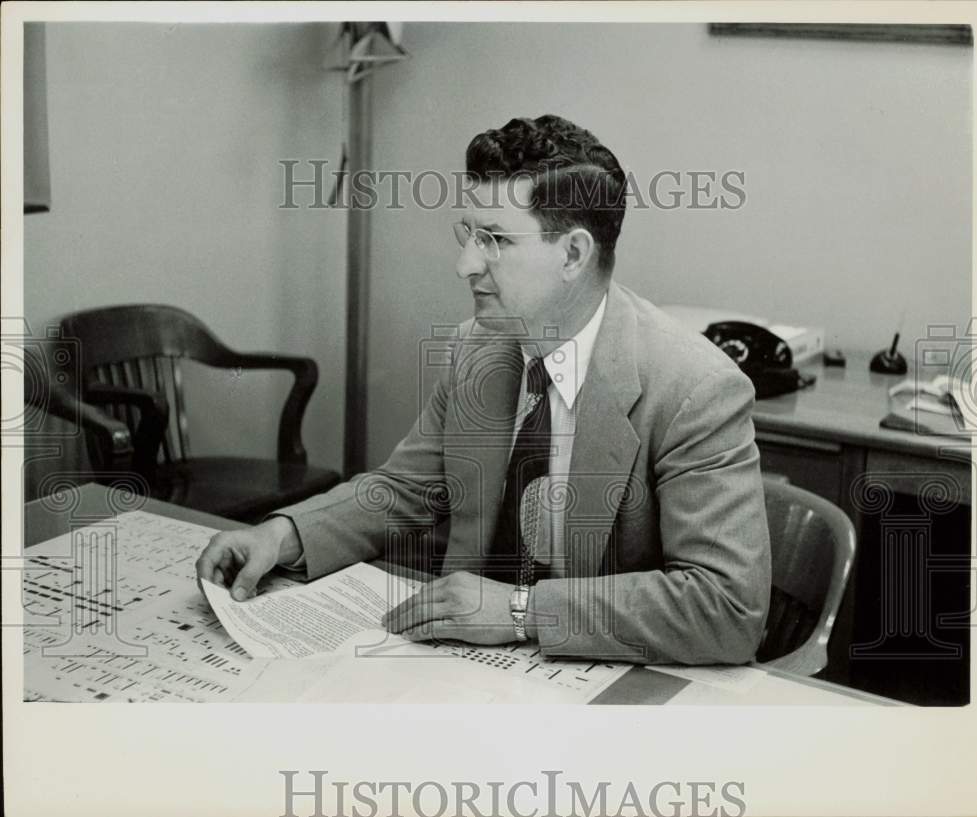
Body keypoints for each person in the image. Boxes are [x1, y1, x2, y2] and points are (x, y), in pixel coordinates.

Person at [196, 115, 771, 664]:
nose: (465, 265)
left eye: (494, 239)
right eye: (467, 234)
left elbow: (727, 607)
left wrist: (522, 613)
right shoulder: (480, 345)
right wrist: (285, 534)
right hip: (462, 674)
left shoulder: (696, 389)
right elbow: (405, 490)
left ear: (573, 253)